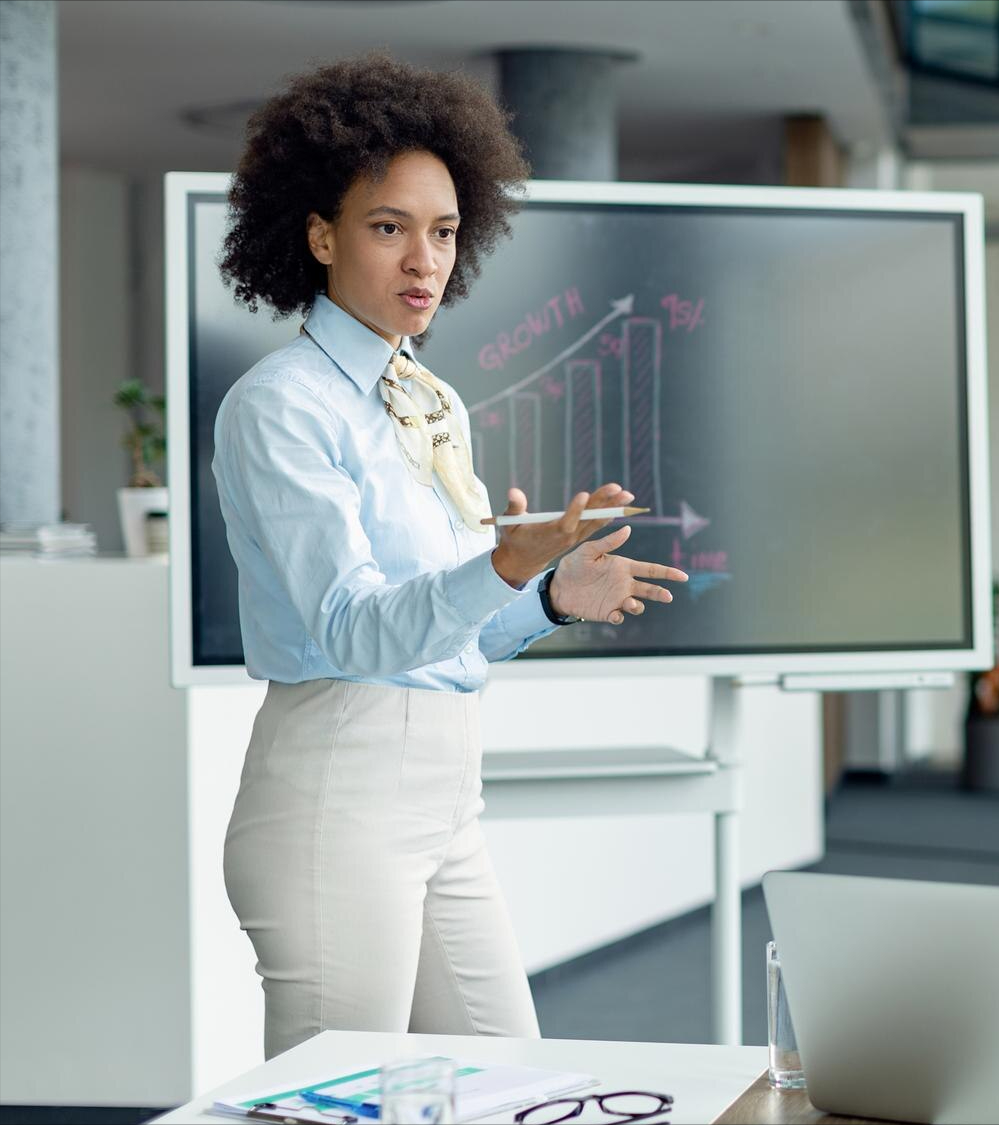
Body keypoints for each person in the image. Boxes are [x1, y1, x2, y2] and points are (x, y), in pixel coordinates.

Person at [210, 54, 687, 1058]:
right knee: (336, 1110)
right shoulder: (281, 405)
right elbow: (352, 629)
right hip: (337, 796)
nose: (423, 260)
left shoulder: (427, 399)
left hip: (442, 799)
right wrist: (504, 567)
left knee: (505, 1082)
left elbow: (447, 634)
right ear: (320, 234)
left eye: (443, 231)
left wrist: (550, 595)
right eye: (389, 228)